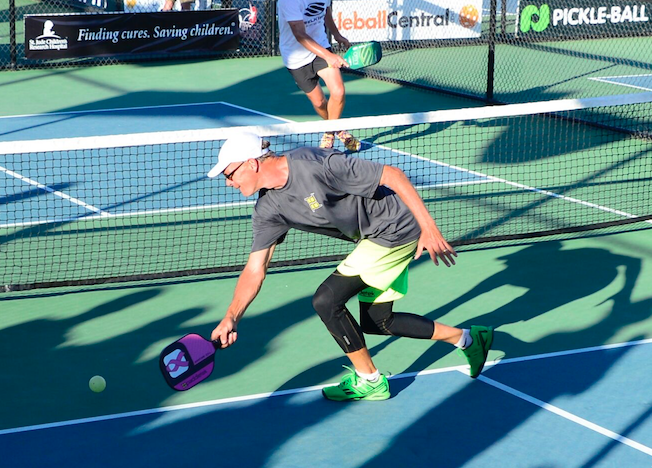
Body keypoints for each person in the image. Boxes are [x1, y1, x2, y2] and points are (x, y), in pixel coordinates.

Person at [205, 127, 494, 402]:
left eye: (229, 174)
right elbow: (256, 268)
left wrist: (428, 228)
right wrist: (232, 316)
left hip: (394, 228)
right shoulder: (268, 209)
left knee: (326, 300)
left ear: (251, 164)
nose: (229, 183)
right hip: (372, 237)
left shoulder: (314, 164)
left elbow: (392, 175)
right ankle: (469, 340)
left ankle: (369, 381)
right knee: (378, 322)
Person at [274, 0, 358, 151]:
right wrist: (330, 55)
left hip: (320, 44)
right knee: (320, 102)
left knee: (338, 90)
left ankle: (329, 133)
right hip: (295, 57)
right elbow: (300, 35)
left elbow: (325, 10)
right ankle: (338, 129)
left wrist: (337, 35)